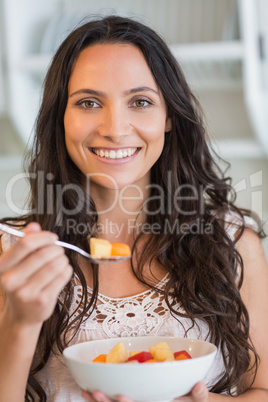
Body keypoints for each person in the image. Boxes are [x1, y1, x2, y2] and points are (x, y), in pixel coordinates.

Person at [0, 15, 268, 402]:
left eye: (140, 101)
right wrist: (21, 323)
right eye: (89, 103)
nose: (115, 127)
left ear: (169, 116)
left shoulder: (233, 244)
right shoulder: (13, 255)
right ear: (61, 119)